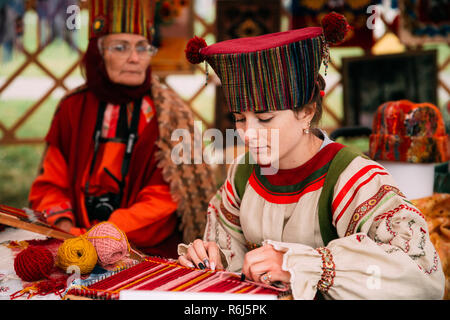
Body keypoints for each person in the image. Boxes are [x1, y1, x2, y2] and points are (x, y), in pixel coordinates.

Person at [177, 12, 446, 299]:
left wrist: (303, 266)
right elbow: (231, 254)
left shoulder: (353, 179)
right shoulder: (243, 173)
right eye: (239, 119)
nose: (247, 134)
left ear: (306, 112)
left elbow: (420, 275)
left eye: (265, 118)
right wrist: (212, 256)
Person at [28, 0, 216, 256]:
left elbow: (164, 200)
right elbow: (51, 182)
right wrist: (65, 227)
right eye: (121, 47)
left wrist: (101, 234)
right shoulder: (73, 108)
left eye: (143, 47)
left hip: (143, 253)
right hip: (71, 243)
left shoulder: (171, 116)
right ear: (98, 52)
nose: (135, 58)